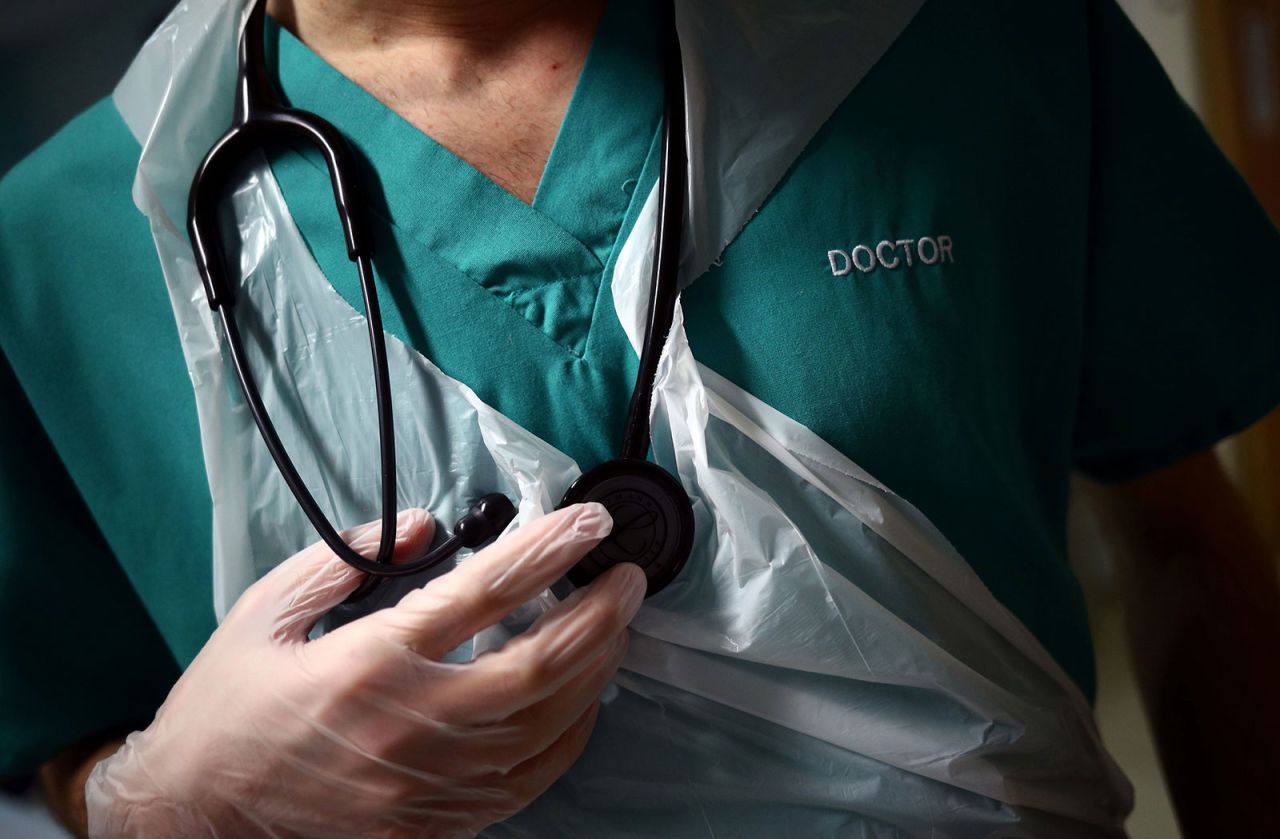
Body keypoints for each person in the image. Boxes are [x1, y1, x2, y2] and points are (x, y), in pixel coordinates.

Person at [1, 0, 1277, 836]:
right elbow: (52, 715)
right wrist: (155, 801)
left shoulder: (954, 40)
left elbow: (1179, 528)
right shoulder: (61, 251)